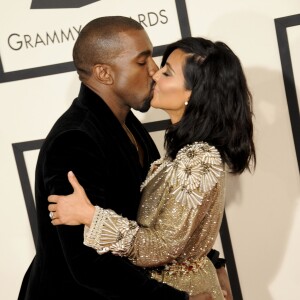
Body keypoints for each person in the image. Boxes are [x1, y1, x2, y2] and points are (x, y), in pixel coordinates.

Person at [17, 16, 226, 300]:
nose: (153, 71)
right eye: (142, 62)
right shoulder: (75, 141)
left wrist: (211, 262)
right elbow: (88, 263)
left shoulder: (129, 125)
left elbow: (159, 216)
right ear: (104, 73)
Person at [48, 36, 256, 298]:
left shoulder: (199, 158)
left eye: (166, 71)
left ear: (193, 93)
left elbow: (161, 246)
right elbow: (173, 223)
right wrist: (210, 261)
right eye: (143, 61)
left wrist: (91, 216)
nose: (155, 73)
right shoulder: (87, 135)